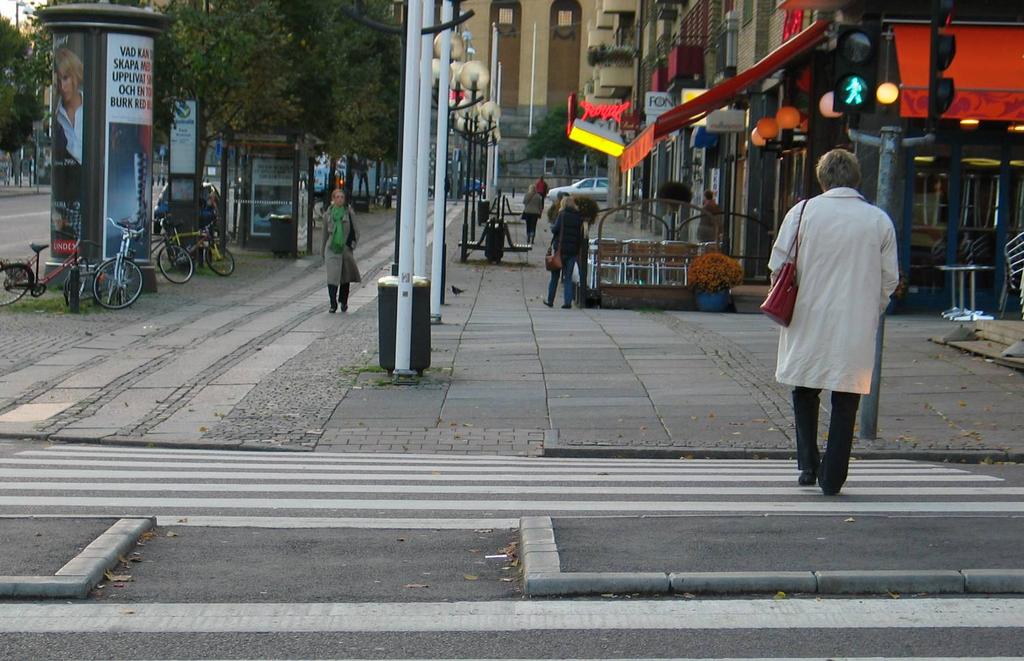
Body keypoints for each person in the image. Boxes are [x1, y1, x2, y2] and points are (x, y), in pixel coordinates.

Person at [768, 149, 898, 496]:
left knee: (805, 388)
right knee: (846, 396)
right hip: (854, 319)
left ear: (822, 179)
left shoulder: (803, 212)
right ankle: (834, 475)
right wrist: (873, 308)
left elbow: (779, 263)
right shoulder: (878, 220)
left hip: (808, 315)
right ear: (857, 179)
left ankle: (808, 463)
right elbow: (889, 279)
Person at [320, 188, 361, 313]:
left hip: (345, 249)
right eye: (337, 197)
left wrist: (351, 246)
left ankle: (343, 301)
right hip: (332, 249)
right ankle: (333, 303)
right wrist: (322, 251)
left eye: (342, 197)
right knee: (332, 277)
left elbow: (357, 231)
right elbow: (324, 234)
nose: (340, 199)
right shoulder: (328, 214)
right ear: (333, 199)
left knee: (345, 277)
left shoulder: (348, 212)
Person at [544, 196, 583, 309]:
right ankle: (567, 302)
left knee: (555, 277)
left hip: (560, 251)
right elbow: (579, 235)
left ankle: (550, 300)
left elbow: (555, 229)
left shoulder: (562, 215)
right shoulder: (578, 217)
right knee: (568, 277)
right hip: (572, 251)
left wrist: (552, 227)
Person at [54, 47, 84, 165]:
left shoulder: (92, 110)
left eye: (65, 78)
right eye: (58, 80)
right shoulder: (57, 117)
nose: (62, 86)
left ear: (75, 76)